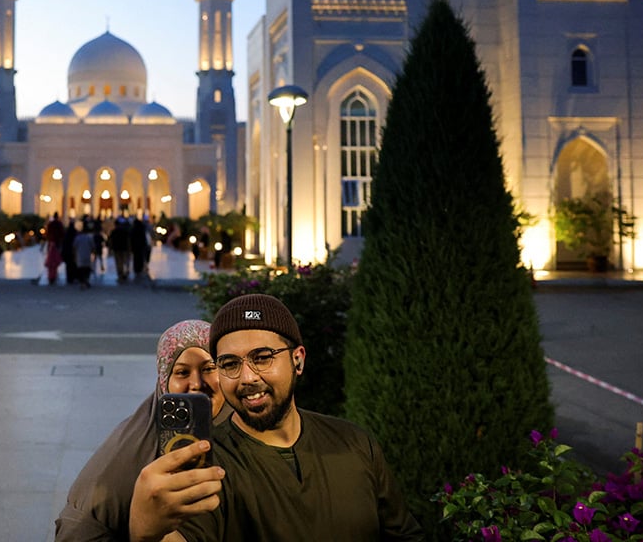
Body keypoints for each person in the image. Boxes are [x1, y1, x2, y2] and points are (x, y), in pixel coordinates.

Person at [129, 294, 423, 542]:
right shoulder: (209, 464)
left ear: (298, 359)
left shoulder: (356, 444)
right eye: (229, 364)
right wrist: (147, 531)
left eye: (262, 357)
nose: (247, 378)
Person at [54, 320, 231, 541]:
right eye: (182, 372)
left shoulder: (244, 430)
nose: (196, 383)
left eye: (209, 369)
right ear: (164, 381)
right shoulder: (130, 450)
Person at [43, 213, 65, 286]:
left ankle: (52, 276)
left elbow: (47, 233)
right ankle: (53, 276)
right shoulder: (59, 224)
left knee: (52, 262)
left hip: (53, 243)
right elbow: (62, 233)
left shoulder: (51, 224)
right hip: (56, 243)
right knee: (54, 261)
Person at [108, 217, 132, 281]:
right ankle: (124, 273)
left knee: (119, 262)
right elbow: (128, 240)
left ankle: (120, 274)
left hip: (117, 249)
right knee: (124, 261)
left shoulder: (114, 232)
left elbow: (110, 241)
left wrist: (110, 249)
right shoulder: (124, 231)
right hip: (123, 248)